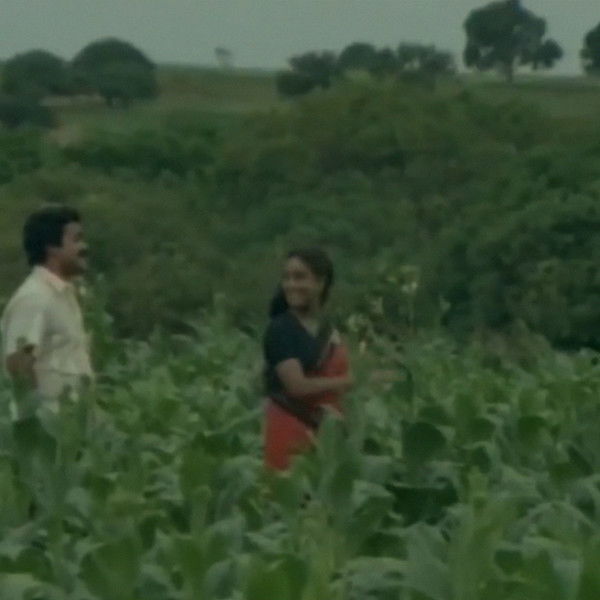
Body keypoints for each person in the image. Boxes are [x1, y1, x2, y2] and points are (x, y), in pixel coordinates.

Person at [263, 247, 352, 470]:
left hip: (327, 432)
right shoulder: (281, 329)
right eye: (287, 278)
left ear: (320, 283)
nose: (291, 285)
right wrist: (349, 381)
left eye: (300, 277)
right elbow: (297, 387)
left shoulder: (328, 329)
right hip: (290, 429)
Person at [0, 205, 93, 417]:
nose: (84, 247)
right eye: (76, 240)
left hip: (68, 425)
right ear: (52, 248)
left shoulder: (63, 295)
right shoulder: (35, 298)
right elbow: (18, 364)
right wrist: (37, 422)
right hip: (48, 428)